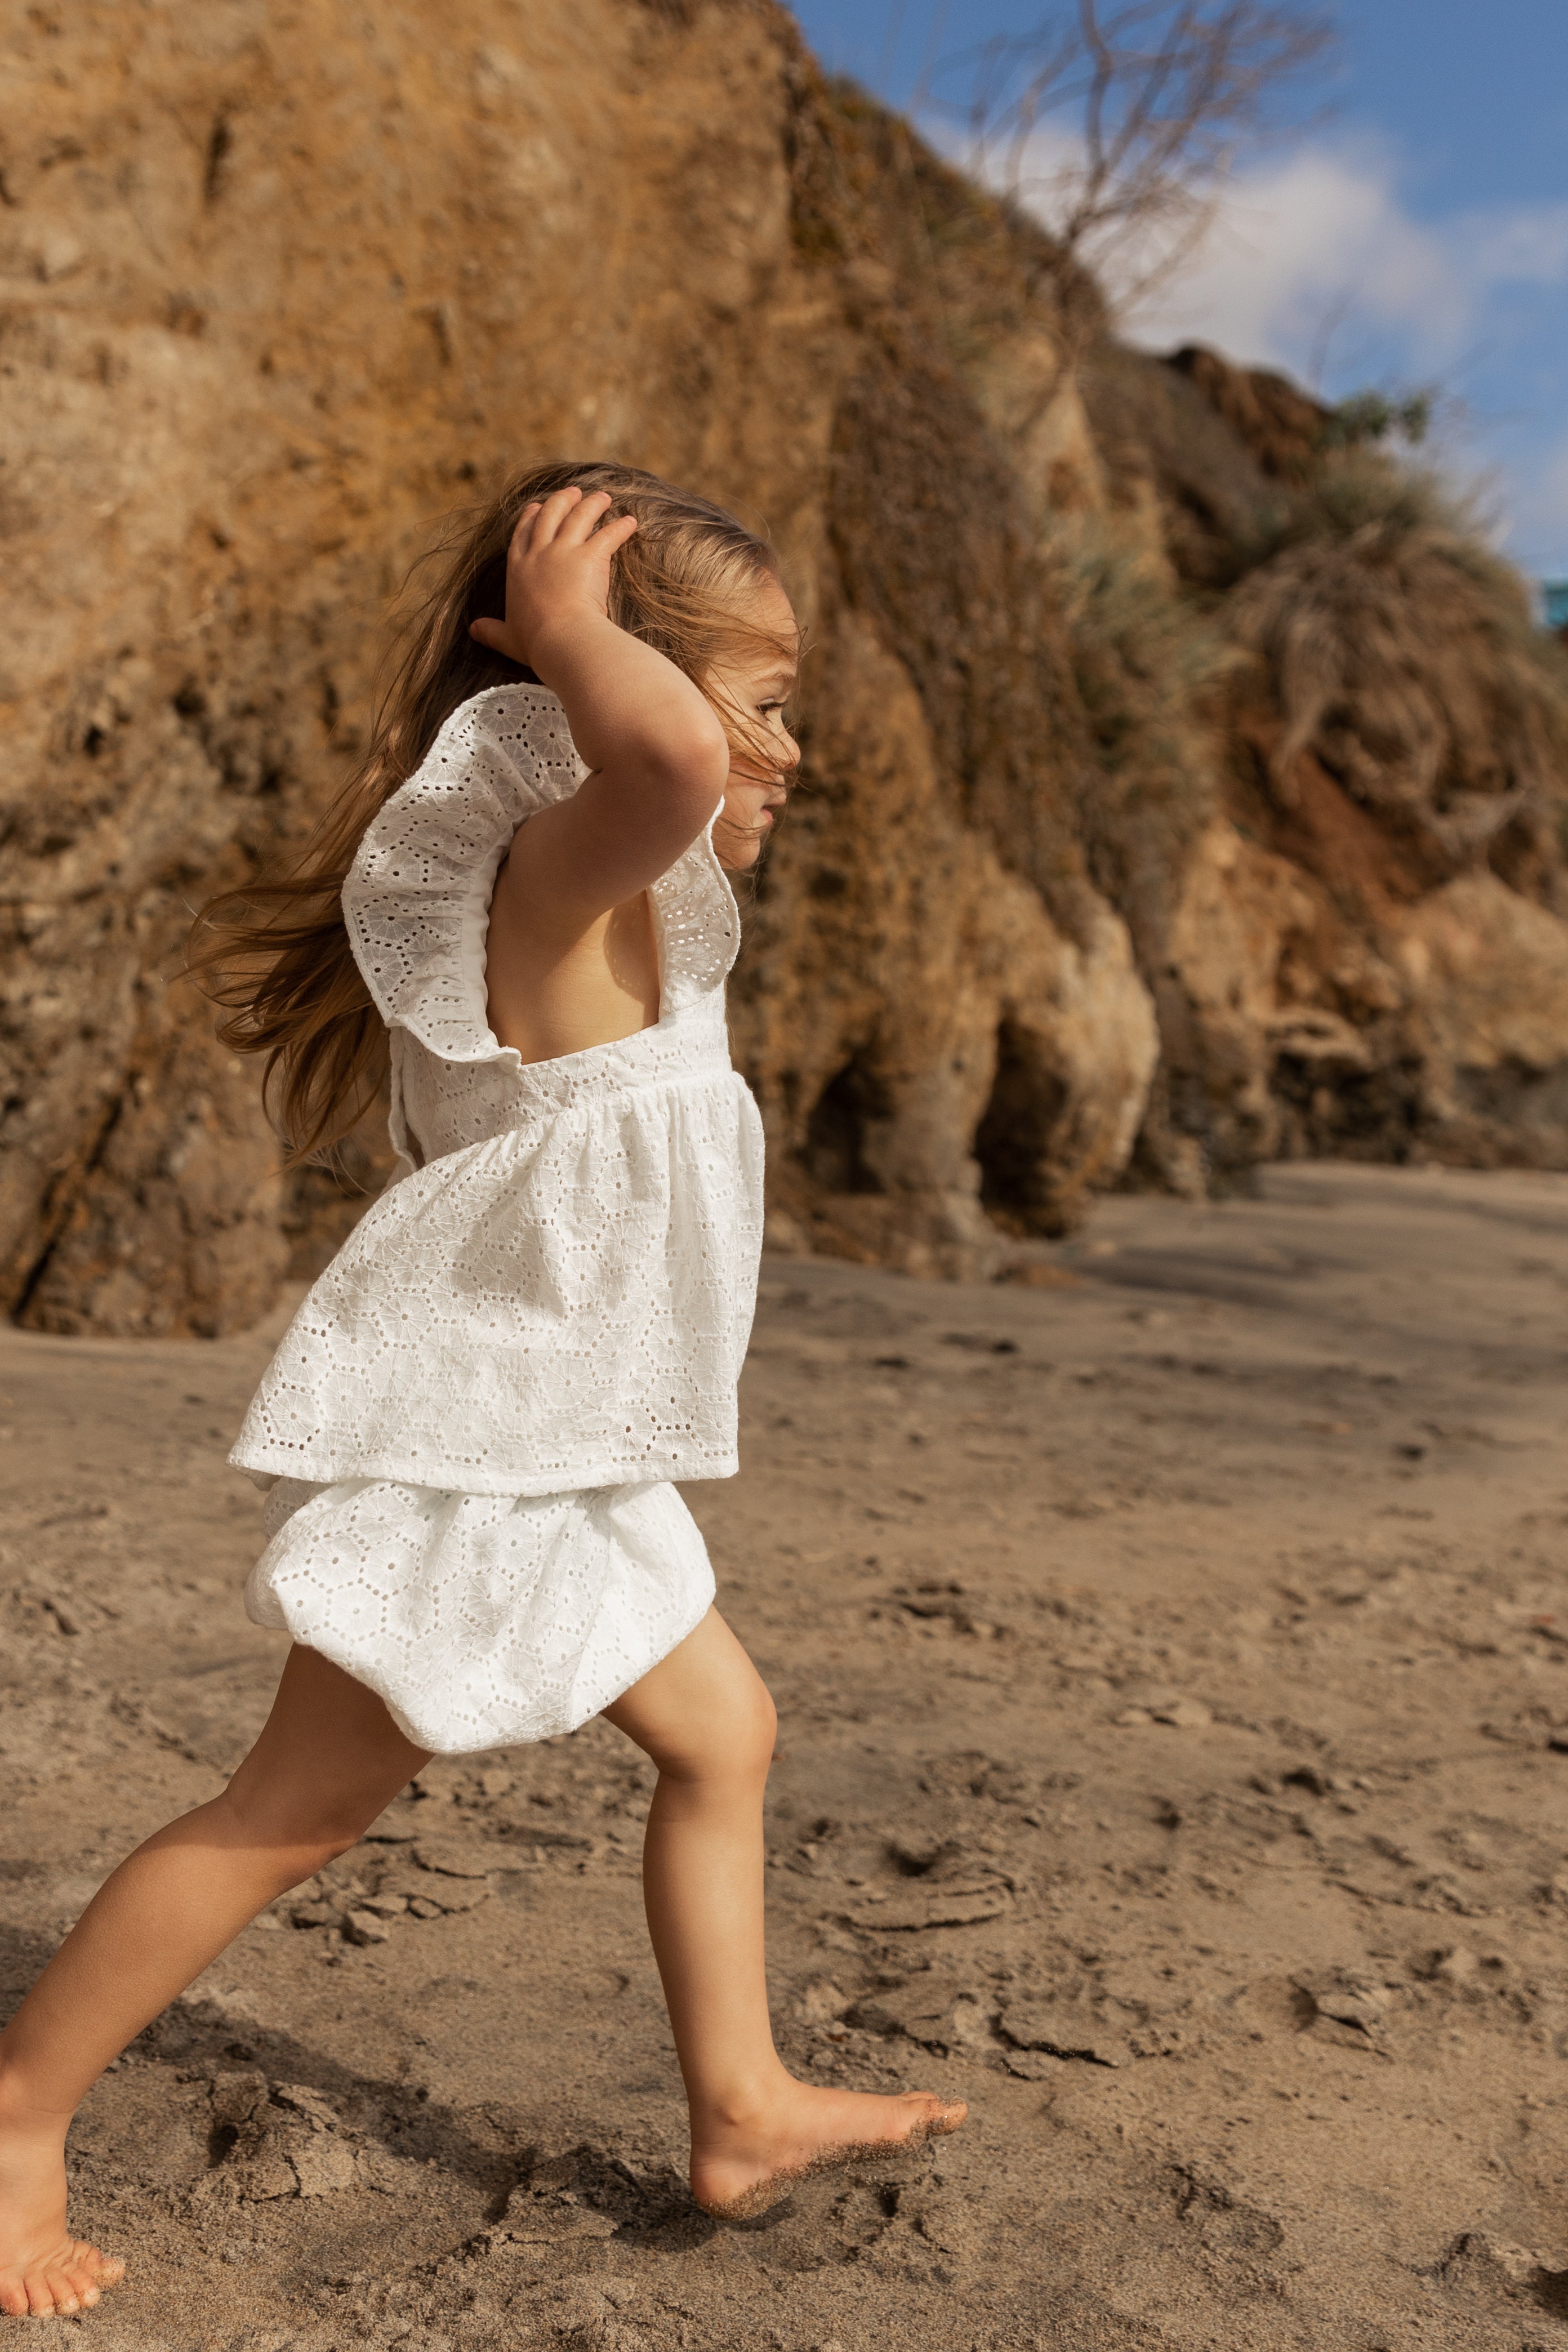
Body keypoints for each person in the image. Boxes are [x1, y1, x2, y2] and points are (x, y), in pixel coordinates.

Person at [0, 464, 965, 2321]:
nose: (779, 748)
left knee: (723, 1736)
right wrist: (583, 629)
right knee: (299, 1807)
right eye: (758, 700)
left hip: (567, 1450)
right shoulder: (564, 871)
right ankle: (22, 2108)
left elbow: (679, 764)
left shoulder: (653, 927)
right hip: (478, 1452)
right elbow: (668, 765)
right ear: (590, 699)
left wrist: (619, 659)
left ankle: (744, 2102)